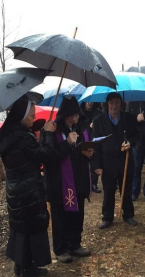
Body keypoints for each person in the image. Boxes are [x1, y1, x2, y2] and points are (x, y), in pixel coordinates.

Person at [0, 96, 56, 277]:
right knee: (32, 226)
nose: (33, 118)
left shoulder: (7, 134)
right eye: (31, 116)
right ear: (21, 117)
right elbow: (44, 155)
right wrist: (47, 134)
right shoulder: (22, 137)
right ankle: (29, 268)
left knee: (20, 227)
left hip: (14, 188)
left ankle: (20, 265)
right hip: (28, 188)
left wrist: (36, 129)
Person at [45, 97, 93, 263]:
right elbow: (49, 158)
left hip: (78, 180)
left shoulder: (81, 127)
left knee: (77, 215)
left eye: (77, 115)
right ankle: (60, 249)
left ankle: (75, 244)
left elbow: (84, 148)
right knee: (60, 218)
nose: (75, 119)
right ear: (63, 115)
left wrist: (88, 154)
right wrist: (67, 143)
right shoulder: (52, 131)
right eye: (71, 115)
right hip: (59, 184)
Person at [92, 92, 141, 229]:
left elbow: (136, 135)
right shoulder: (98, 121)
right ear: (107, 104)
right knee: (108, 190)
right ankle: (107, 217)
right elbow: (96, 145)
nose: (114, 106)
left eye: (117, 103)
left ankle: (128, 215)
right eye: (111, 103)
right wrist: (97, 165)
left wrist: (130, 143)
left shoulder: (129, 119)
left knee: (126, 189)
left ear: (122, 104)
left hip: (125, 161)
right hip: (108, 163)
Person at [80, 101, 102, 193]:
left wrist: (95, 125)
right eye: (88, 101)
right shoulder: (80, 113)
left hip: (94, 137)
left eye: (91, 101)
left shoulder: (98, 112)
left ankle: (94, 183)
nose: (89, 103)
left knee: (94, 158)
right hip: (83, 137)